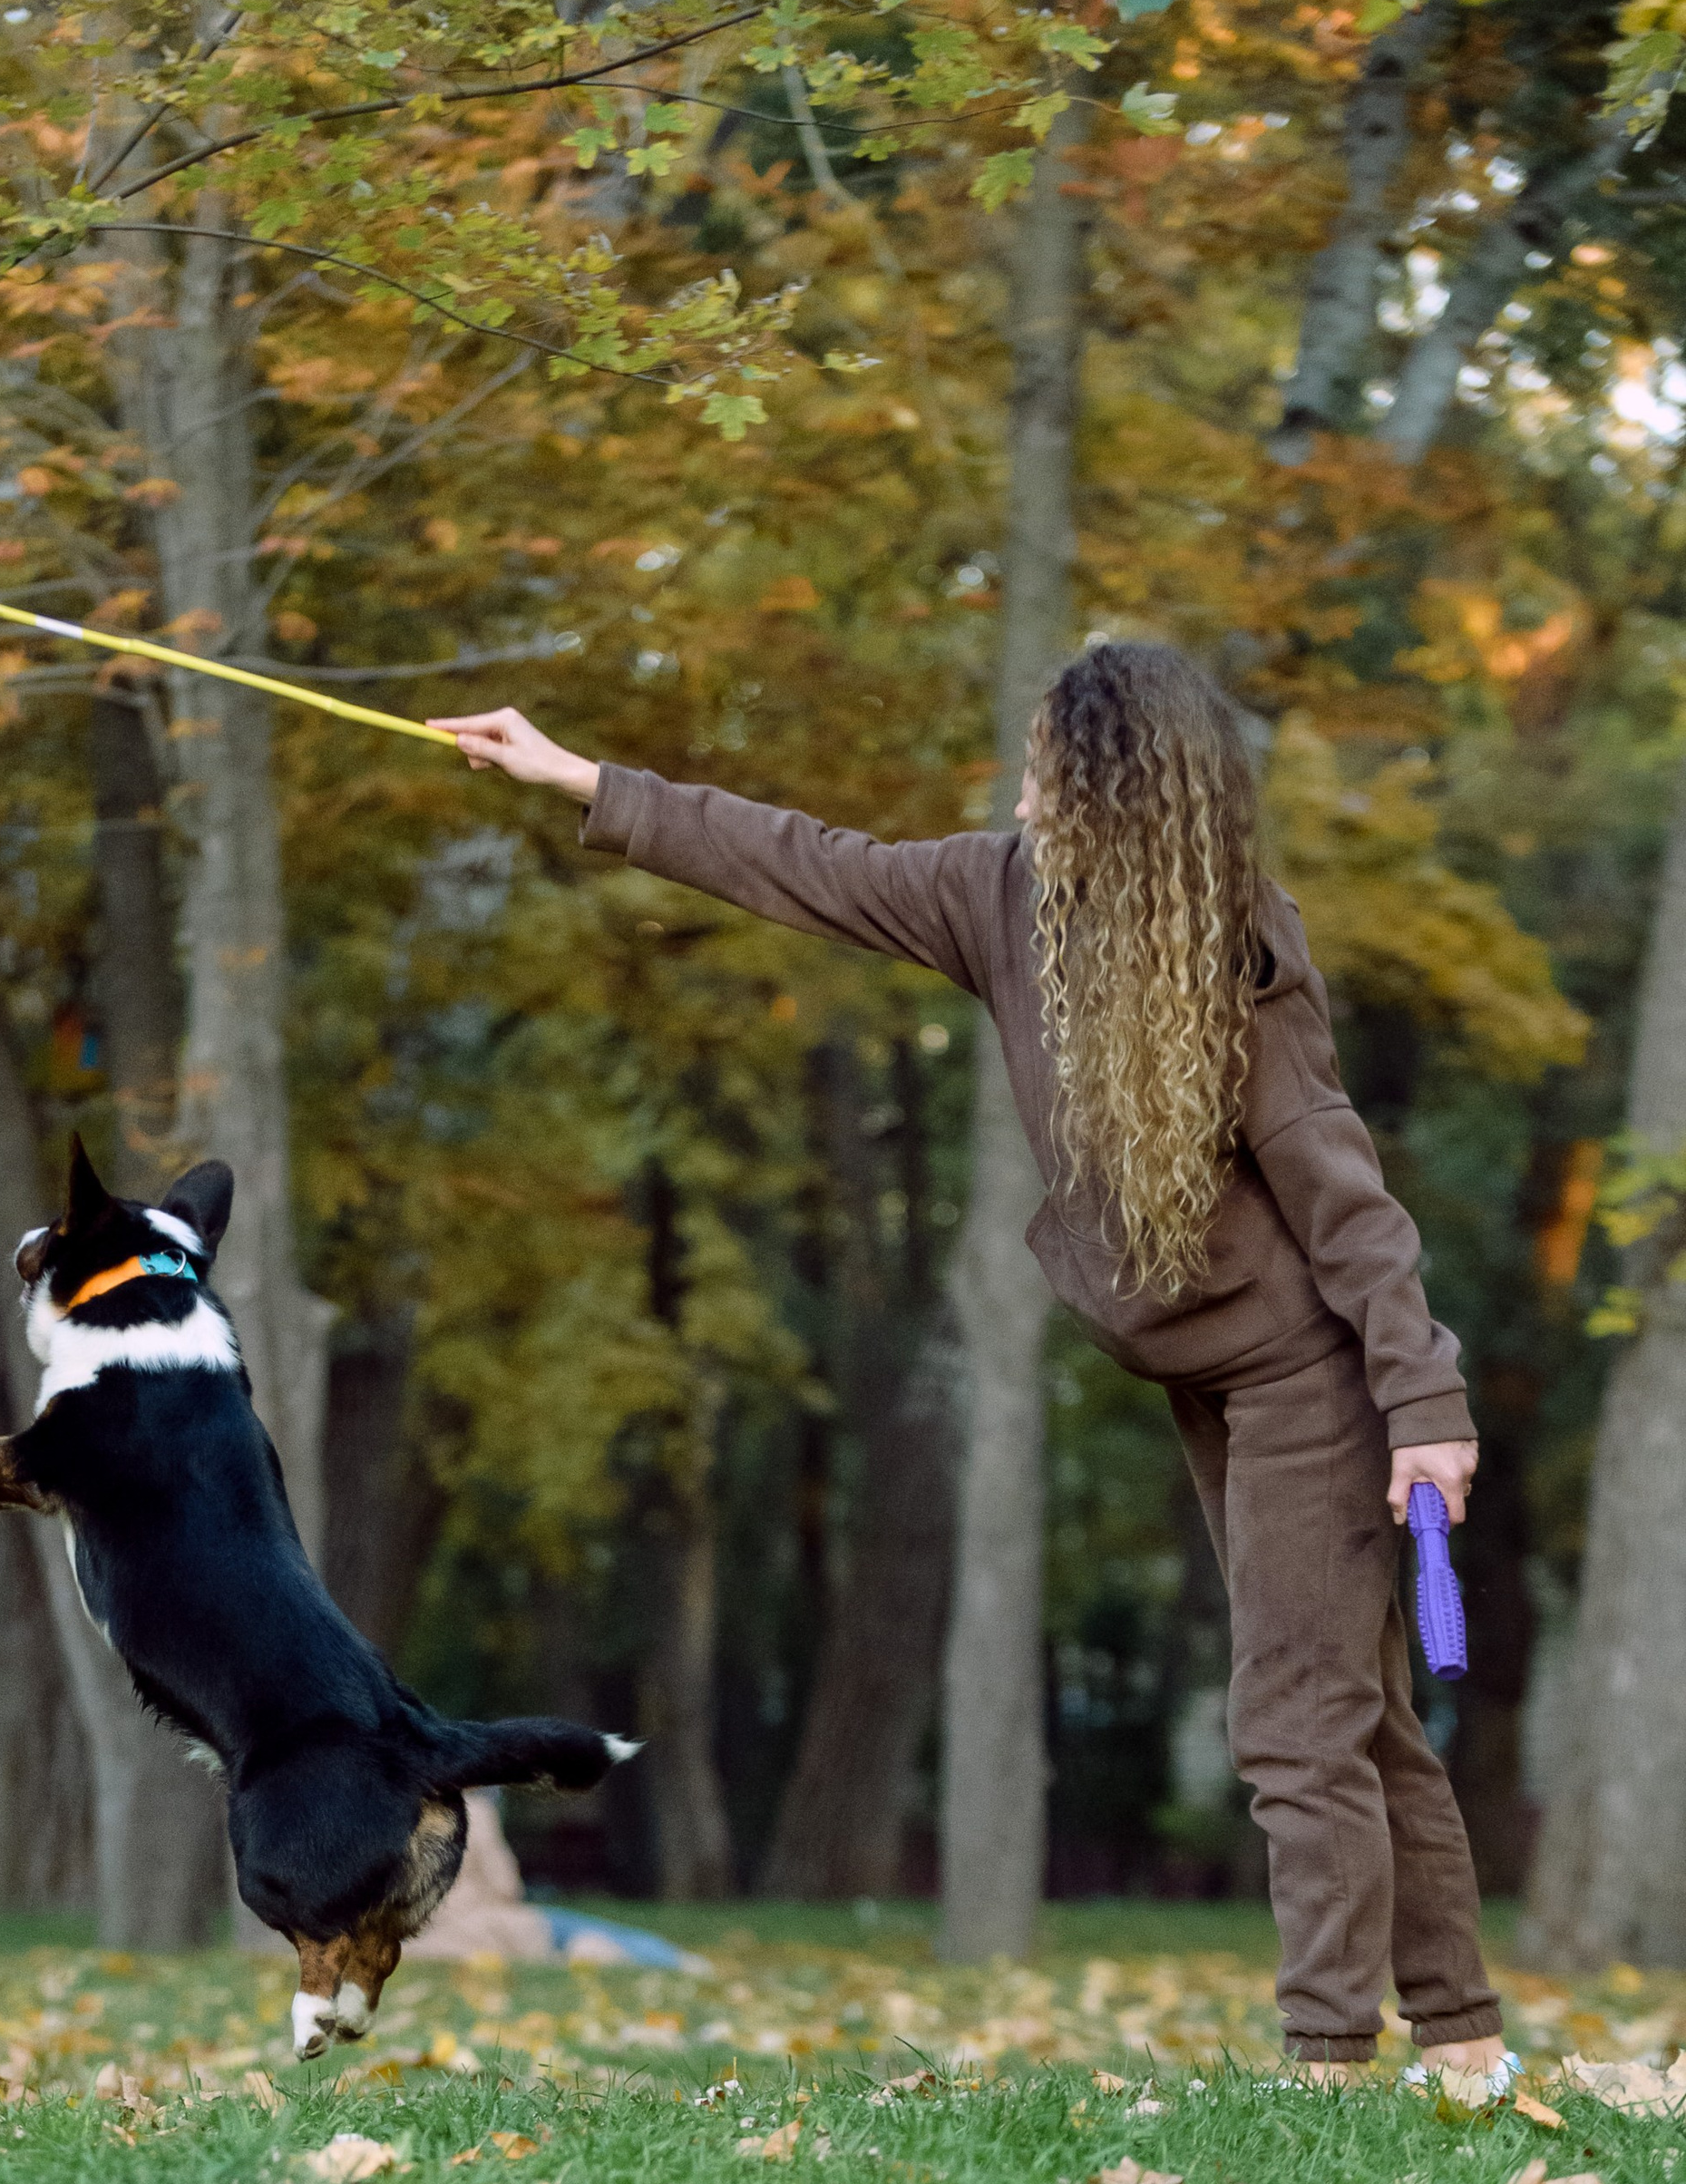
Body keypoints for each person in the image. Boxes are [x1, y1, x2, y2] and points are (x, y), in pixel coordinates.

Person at [432, 641, 1506, 2081]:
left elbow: (1339, 1187)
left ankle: (1331, 2065)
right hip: (1203, 1361)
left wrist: (1421, 1399)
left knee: (1298, 1728)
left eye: (1050, 764)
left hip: (1309, 1371)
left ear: (1120, 789)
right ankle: (1465, 2050)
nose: (1023, 784)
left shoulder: (1233, 940)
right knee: (1359, 1720)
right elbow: (798, 858)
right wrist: (580, 777)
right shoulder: (999, 898)